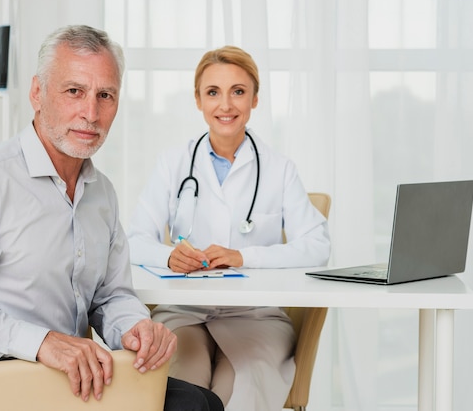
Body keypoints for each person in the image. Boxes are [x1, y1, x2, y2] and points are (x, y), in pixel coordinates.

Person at [0, 25, 223, 411]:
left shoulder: (101, 193)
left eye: (105, 95)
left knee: (203, 402)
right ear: (37, 93)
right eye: (74, 91)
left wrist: (135, 328)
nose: (90, 113)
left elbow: (111, 296)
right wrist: (41, 341)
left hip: (71, 379)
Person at [128, 46, 330, 411]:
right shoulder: (174, 163)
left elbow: (317, 245)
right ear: (198, 99)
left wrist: (243, 256)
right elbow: (132, 241)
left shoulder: (279, 169)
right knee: (181, 386)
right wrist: (169, 255)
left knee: (239, 390)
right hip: (184, 310)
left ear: (255, 98)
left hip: (255, 315)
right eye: (213, 92)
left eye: (238, 91)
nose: (226, 105)